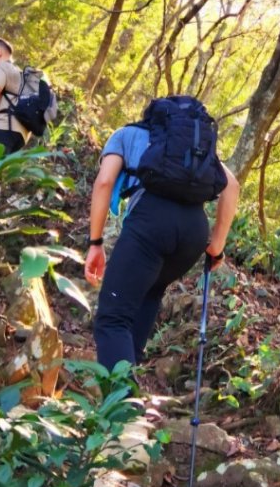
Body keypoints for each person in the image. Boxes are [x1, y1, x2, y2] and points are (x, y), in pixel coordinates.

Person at [84, 107, 240, 373]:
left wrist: (95, 243)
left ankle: (122, 398)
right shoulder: (192, 148)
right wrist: (217, 246)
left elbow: (104, 182)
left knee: (112, 319)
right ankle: (129, 377)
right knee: (149, 293)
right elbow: (232, 186)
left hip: (151, 222)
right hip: (193, 231)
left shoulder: (125, 134)